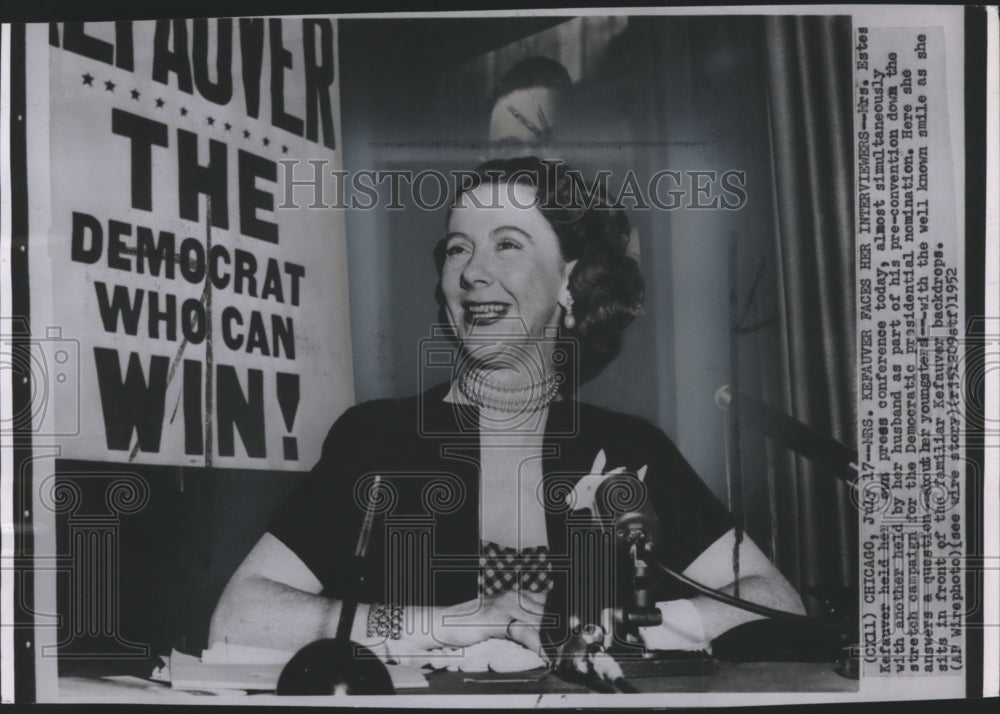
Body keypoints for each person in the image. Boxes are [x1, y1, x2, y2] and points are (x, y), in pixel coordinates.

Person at [208, 157, 805, 665]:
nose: (472, 272)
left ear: (571, 281)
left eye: (508, 245)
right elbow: (238, 619)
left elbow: (775, 601)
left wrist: (603, 631)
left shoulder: (630, 449)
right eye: (457, 249)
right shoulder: (378, 439)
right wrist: (450, 624)